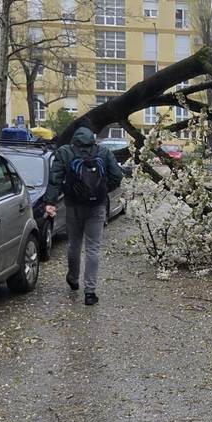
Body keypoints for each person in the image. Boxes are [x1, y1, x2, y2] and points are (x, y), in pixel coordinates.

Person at [44, 126, 124, 305]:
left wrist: (50, 202)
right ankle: (90, 292)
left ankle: (73, 278)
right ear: (92, 138)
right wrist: (103, 191)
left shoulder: (65, 152)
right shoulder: (103, 152)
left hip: (73, 206)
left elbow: (55, 178)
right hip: (97, 207)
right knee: (93, 248)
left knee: (74, 244)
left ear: (74, 139)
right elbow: (116, 175)